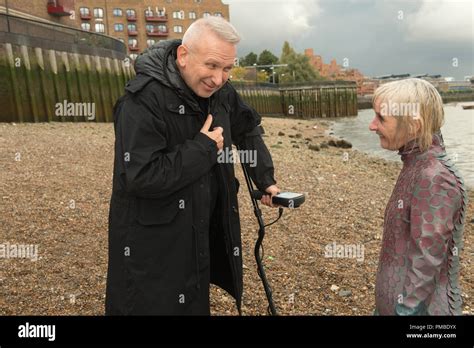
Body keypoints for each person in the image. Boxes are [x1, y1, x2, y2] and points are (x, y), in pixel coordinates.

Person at [105, 17, 280, 315]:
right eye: (211, 66)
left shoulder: (220, 92)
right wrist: (203, 148)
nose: (219, 78)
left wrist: (264, 179)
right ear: (183, 56)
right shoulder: (142, 100)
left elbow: (247, 126)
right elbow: (141, 176)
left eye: (227, 69)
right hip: (152, 243)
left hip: (198, 231)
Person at [369, 78, 467, 315]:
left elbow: (426, 261)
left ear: (414, 126)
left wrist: (404, 314)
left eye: (381, 118)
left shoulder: (435, 177)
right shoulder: (416, 165)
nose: (372, 126)